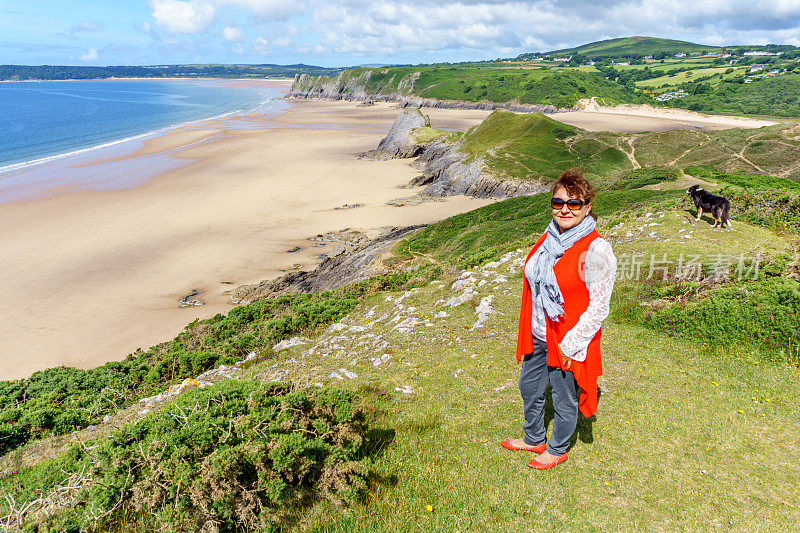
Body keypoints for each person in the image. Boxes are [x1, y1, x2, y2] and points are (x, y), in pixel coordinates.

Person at [500, 167, 617, 469]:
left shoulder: (596, 250)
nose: (565, 209)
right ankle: (533, 437)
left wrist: (570, 344)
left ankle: (557, 448)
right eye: (558, 202)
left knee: (565, 399)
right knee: (529, 386)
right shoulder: (549, 238)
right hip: (538, 331)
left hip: (566, 339)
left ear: (587, 207)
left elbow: (599, 307)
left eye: (574, 203)